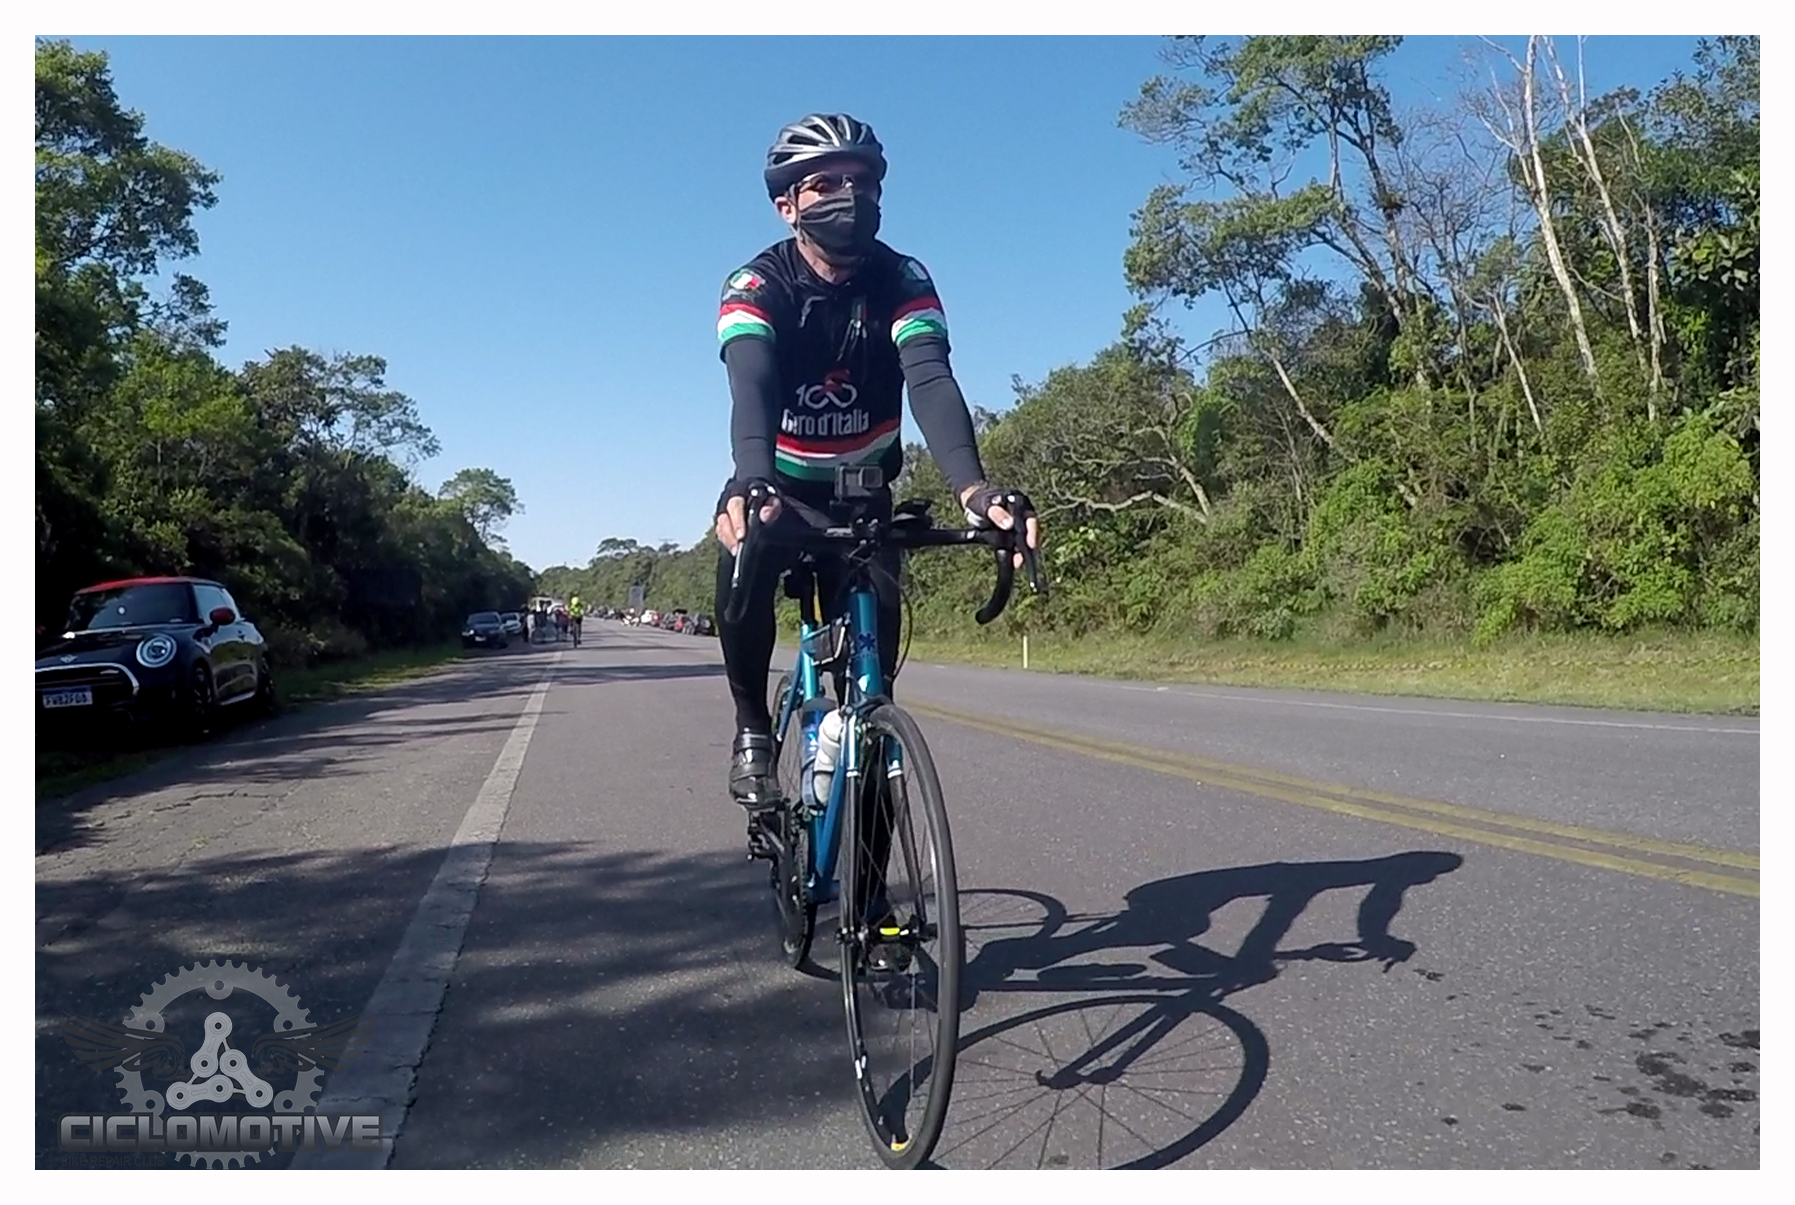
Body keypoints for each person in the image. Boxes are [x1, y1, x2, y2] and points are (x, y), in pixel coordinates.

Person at [712, 111, 1041, 809]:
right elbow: (752, 383)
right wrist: (751, 478)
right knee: (739, 557)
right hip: (782, 490)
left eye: (861, 182)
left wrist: (975, 490)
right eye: (824, 184)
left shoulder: (902, 278)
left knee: (873, 704)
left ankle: (871, 869)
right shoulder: (756, 284)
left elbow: (929, 378)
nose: (848, 196)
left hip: (865, 501)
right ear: (787, 205)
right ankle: (751, 727)